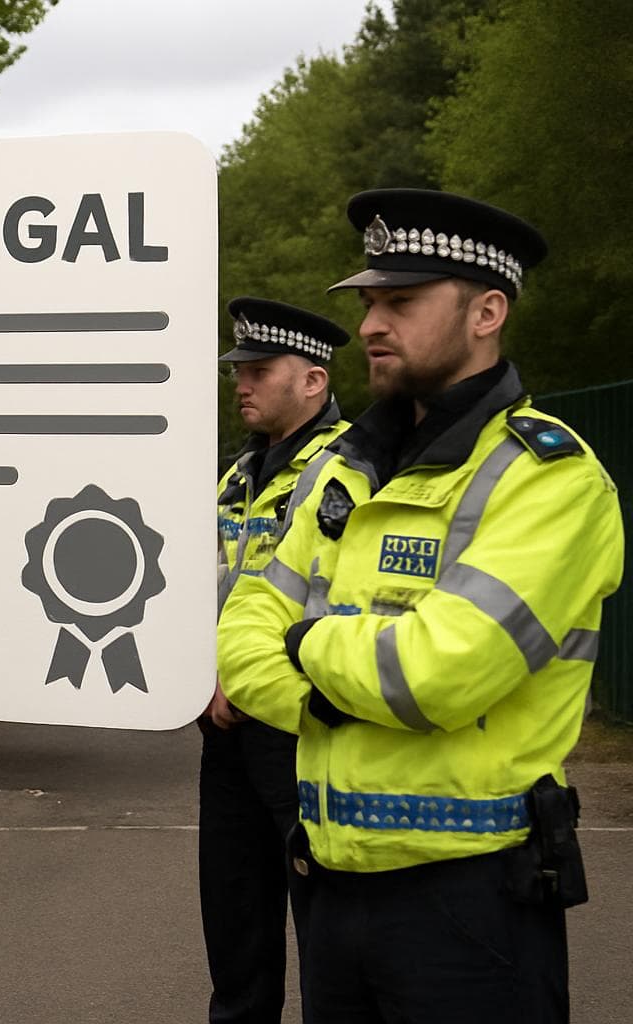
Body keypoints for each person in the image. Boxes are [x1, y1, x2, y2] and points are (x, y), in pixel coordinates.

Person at [218, 189, 624, 1023]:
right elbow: (240, 635)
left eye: (401, 302)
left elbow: (438, 675)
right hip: (330, 882)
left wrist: (304, 648)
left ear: (488, 311)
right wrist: (328, 676)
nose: (372, 323)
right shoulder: (346, 470)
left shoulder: (550, 477)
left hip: (472, 903)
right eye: (369, 302)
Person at [202, 298, 350, 1023]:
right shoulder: (235, 477)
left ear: (314, 381)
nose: (242, 384)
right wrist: (202, 674)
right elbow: (204, 587)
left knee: (329, 932)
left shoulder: (353, 470)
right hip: (224, 726)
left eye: (260, 371)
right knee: (235, 927)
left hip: (303, 728)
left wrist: (259, 681)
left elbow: (346, 603)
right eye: (239, 371)